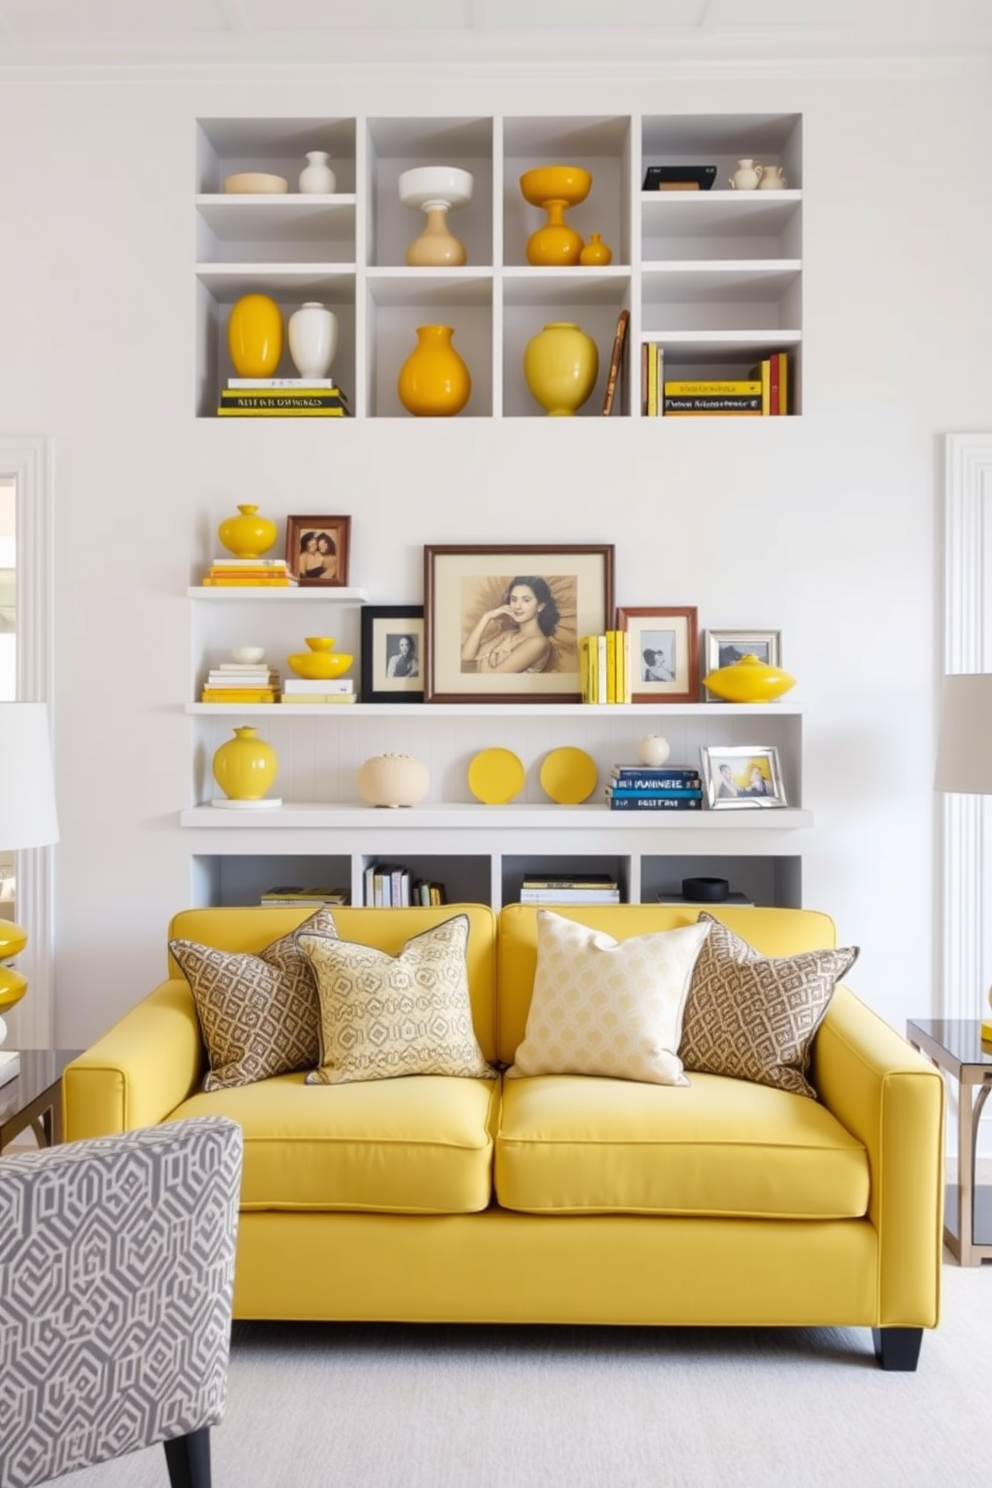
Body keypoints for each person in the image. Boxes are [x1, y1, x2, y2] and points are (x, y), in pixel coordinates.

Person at [461, 576, 560, 674]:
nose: (517, 606)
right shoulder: (509, 634)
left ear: (540, 606)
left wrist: (485, 657)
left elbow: (491, 676)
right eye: (514, 599)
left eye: (526, 600)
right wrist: (487, 617)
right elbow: (467, 656)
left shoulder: (538, 643)